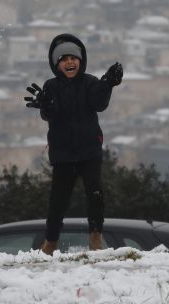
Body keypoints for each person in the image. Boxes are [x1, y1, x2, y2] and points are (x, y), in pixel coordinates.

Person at [24, 33, 123, 255]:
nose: (69, 62)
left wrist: (107, 85)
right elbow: (48, 116)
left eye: (73, 58)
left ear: (81, 60)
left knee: (95, 194)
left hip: (90, 150)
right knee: (58, 201)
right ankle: (50, 242)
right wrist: (46, 105)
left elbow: (99, 104)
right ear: (56, 64)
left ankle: (96, 236)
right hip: (63, 153)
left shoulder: (90, 82)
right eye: (64, 59)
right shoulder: (51, 86)